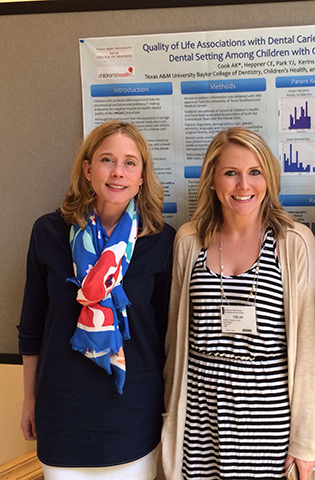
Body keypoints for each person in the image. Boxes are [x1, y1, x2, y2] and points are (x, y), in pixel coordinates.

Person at [162, 127, 315, 480]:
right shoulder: (190, 241)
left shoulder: (293, 242)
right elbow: (175, 339)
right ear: (212, 179)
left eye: (255, 172)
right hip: (199, 413)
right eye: (230, 173)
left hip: (267, 417)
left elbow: (309, 349)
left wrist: (306, 440)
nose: (243, 186)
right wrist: (170, 413)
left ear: (269, 178)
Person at [18, 121, 176, 479]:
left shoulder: (161, 240)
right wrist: (28, 400)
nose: (118, 172)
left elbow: (166, 335)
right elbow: (32, 325)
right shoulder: (48, 232)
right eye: (107, 160)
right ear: (88, 169)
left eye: (130, 163)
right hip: (61, 411)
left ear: (142, 176)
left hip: (133, 411)